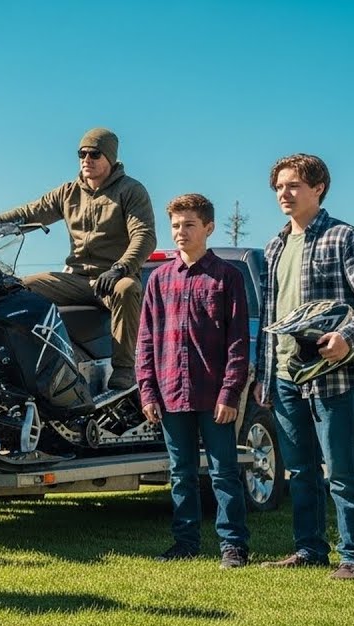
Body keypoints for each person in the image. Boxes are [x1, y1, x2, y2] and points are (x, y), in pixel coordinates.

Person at [254, 153, 354, 580]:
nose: (284, 193)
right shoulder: (275, 246)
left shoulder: (344, 237)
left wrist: (348, 335)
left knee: (343, 470)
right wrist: (263, 376)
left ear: (318, 188)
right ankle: (310, 549)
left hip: (333, 374)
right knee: (299, 470)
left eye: (293, 185)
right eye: (279, 186)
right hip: (283, 376)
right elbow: (271, 318)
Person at [0, 128, 156, 390]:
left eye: (94, 154)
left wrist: (120, 269)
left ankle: (125, 369)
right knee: (16, 288)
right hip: (76, 280)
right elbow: (29, 213)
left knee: (128, 289)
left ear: (110, 158)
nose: (86, 159)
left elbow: (144, 236)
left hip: (112, 279)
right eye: (82, 153)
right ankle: (19, 366)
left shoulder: (131, 191)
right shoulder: (68, 193)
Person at [136, 194, 251, 568]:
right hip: (170, 394)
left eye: (188, 225)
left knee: (223, 473)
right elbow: (146, 341)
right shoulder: (159, 280)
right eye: (175, 226)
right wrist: (148, 391)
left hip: (214, 393)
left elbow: (237, 342)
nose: (180, 232)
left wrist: (230, 392)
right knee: (180, 474)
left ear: (208, 228)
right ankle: (185, 543)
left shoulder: (227, 277)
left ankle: (233, 546)